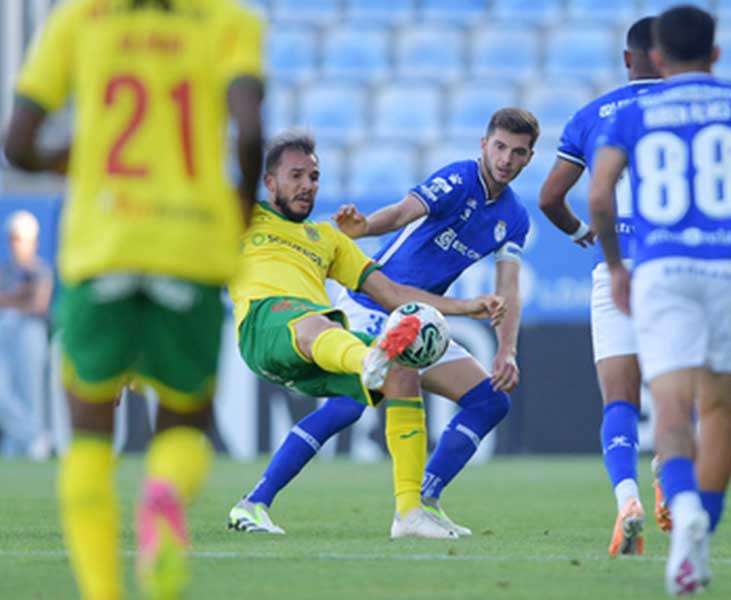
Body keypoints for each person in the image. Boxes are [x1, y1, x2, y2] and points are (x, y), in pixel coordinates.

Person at [3, 0, 265, 598]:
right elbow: (250, 133)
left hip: (103, 245)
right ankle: (165, 502)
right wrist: (241, 213)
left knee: (89, 432)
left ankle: (103, 592)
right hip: (190, 245)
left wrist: (74, 161)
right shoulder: (228, 20)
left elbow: (16, 144)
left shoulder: (77, 19)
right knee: (183, 420)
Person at [229, 108, 537, 538]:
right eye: (500, 147)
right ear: (484, 145)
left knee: (490, 401)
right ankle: (256, 500)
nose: (506, 159)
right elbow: (398, 215)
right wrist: (366, 227)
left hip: (421, 316)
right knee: (353, 400)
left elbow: (508, 291)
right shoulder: (458, 179)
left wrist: (507, 350)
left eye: (517, 152)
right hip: (373, 307)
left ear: (529, 158)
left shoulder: (515, 218)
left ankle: (422, 503)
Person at [589, 5, 731, 595]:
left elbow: (599, 193)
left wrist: (612, 263)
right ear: (717, 53)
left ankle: (681, 512)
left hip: (662, 269)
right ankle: (700, 524)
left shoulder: (635, 111)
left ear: (656, 58)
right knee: (717, 411)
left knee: (672, 409)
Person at [539, 17, 664, 555]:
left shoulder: (592, 116)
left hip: (615, 268)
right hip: (677, 269)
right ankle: (671, 482)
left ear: (627, 58)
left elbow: (549, 197)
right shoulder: (697, 108)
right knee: (683, 393)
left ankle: (627, 501)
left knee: (619, 400)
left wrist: (581, 233)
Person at [0, 210, 53, 460]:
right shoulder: (5, 270)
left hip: (31, 331)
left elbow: (39, 305)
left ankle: (23, 451)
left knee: (30, 393)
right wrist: (22, 295)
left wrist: (12, 299)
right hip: (5, 329)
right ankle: (35, 437)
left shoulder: (41, 270)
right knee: (3, 394)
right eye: (16, 238)